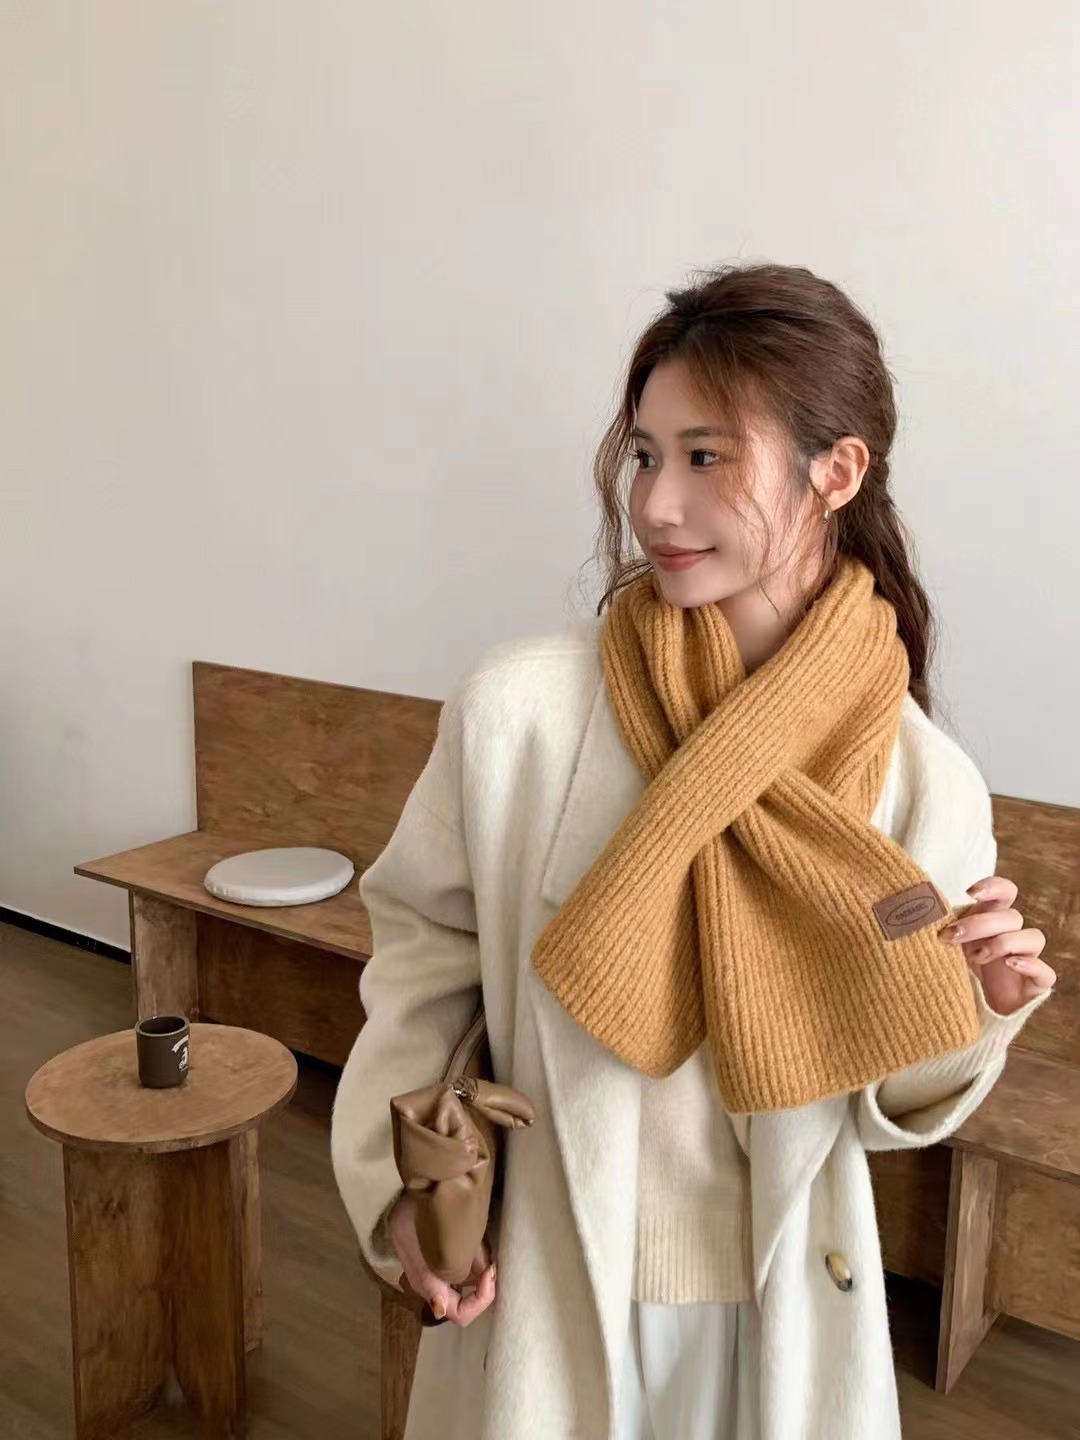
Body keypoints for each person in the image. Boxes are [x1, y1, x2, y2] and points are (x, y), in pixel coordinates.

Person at [330, 261, 1056, 1440]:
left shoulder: (923, 780)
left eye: (707, 456)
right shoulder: (520, 716)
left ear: (837, 472)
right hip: (546, 1283)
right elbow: (421, 967)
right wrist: (397, 1190)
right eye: (644, 455)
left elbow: (884, 1103)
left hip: (781, 1316)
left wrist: (974, 1011)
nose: (657, 505)